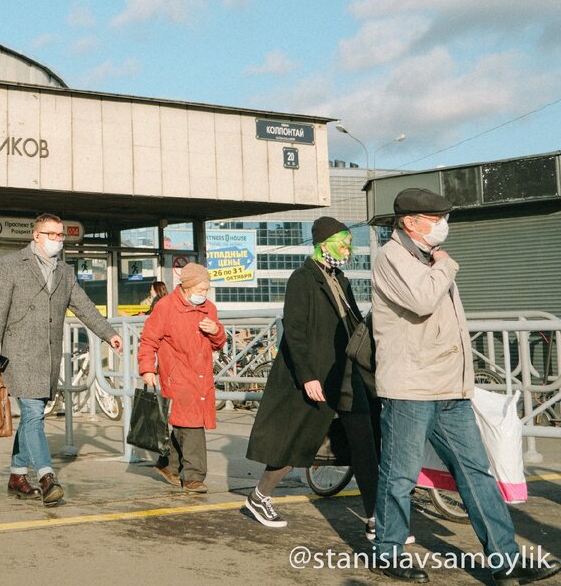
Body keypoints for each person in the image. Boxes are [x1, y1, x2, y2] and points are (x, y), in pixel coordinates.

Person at [371, 188, 558, 585]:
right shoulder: (392, 256)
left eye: (443, 218)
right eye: (435, 218)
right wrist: (446, 265)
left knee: (476, 472)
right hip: (411, 387)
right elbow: (421, 300)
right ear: (409, 222)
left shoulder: (426, 258)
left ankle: (504, 560)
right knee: (399, 476)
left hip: (450, 389)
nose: (443, 226)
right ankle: (388, 552)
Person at [243, 217, 380, 534]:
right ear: (324, 244)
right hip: (316, 375)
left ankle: (376, 516)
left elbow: (355, 324)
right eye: (342, 243)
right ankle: (259, 495)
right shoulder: (302, 280)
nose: (348, 249)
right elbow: (295, 332)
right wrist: (307, 376)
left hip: (346, 374)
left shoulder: (340, 279)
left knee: (365, 443)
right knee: (297, 443)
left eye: (348, 243)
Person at [0, 213, 124, 505]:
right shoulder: (12, 265)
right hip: (18, 354)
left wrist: (108, 334)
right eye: (52, 235)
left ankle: (17, 474)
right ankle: (47, 478)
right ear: (36, 236)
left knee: (32, 417)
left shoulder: (64, 272)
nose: (58, 240)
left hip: (48, 357)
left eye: (61, 236)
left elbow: (85, 307)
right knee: (33, 414)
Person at [137, 262, 224, 494]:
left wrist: (216, 331)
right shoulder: (166, 307)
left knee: (184, 422)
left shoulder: (210, 309)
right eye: (200, 289)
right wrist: (147, 368)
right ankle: (194, 477)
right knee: (192, 424)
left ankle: (169, 465)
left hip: (202, 374)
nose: (204, 294)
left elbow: (219, 343)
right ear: (186, 287)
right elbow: (149, 339)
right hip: (177, 374)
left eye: (207, 289)